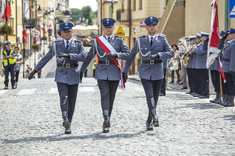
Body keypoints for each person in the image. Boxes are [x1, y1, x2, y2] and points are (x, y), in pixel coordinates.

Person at [28, 21, 87, 134]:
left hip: (74, 73)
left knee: (72, 100)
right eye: (65, 32)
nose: (67, 33)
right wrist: (35, 70)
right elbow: (46, 58)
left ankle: (69, 122)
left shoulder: (78, 44)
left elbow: (84, 56)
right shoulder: (56, 45)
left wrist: (70, 55)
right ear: (61, 33)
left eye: (69, 31)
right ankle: (64, 119)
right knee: (63, 97)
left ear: (72, 32)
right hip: (61, 74)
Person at [122, 16, 174, 131]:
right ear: (146, 27)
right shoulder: (141, 40)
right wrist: (124, 71)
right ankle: (155, 116)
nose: (151, 27)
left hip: (158, 71)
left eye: (153, 25)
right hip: (145, 71)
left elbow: (171, 53)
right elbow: (131, 56)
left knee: (155, 98)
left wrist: (159, 55)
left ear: (157, 26)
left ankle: (149, 120)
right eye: (149, 25)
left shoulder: (162, 39)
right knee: (149, 95)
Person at [80, 18, 130, 133]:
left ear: (113, 28)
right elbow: (90, 56)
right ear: (103, 28)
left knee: (111, 97)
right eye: (106, 27)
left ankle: (107, 118)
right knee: (104, 94)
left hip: (114, 71)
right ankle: (106, 117)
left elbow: (128, 54)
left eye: (110, 27)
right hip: (101, 71)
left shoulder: (119, 40)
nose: (108, 29)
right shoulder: (98, 41)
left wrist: (115, 54)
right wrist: (82, 70)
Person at [220, 28, 235, 107]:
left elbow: (233, 57)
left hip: (230, 67)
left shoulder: (233, 44)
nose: (228, 36)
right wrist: (223, 38)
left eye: (229, 34)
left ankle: (231, 101)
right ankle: (228, 99)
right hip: (226, 66)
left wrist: (232, 69)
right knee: (228, 84)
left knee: (231, 84)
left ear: (234, 35)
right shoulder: (228, 43)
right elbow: (220, 47)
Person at [193, 32, 210, 99]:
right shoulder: (200, 44)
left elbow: (201, 51)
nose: (201, 38)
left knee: (204, 80)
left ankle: (205, 93)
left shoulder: (205, 44)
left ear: (205, 38)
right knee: (200, 80)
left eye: (202, 37)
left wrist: (194, 49)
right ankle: (201, 92)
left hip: (203, 65)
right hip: (199, 65)